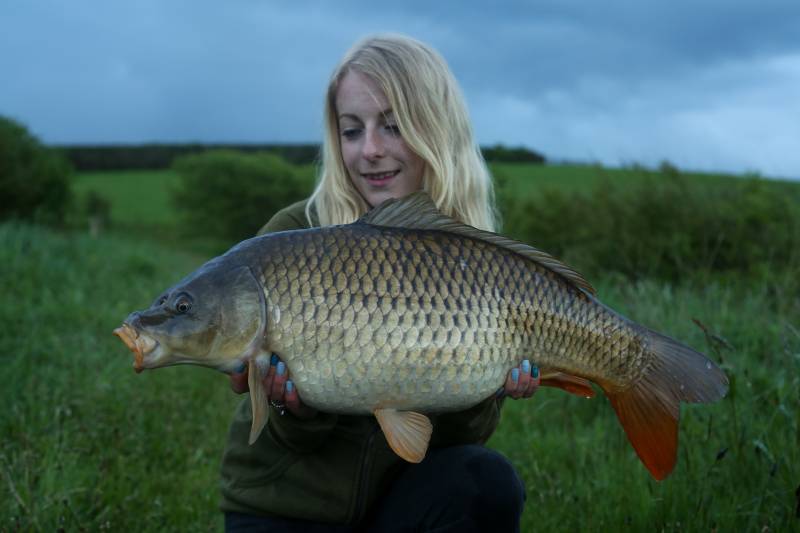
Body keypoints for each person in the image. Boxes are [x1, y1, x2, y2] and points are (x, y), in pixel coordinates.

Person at [220, 34, 540, 532]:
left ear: (436, 130)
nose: (369, 150)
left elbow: (456, 438)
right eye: (352, 131)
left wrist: (490, 389)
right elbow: (283, 437)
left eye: (392, 127)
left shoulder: (475, 259)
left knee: (486, 479)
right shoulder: (291, 236)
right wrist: (294, 408)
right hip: (286, 506)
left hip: (396, 503)